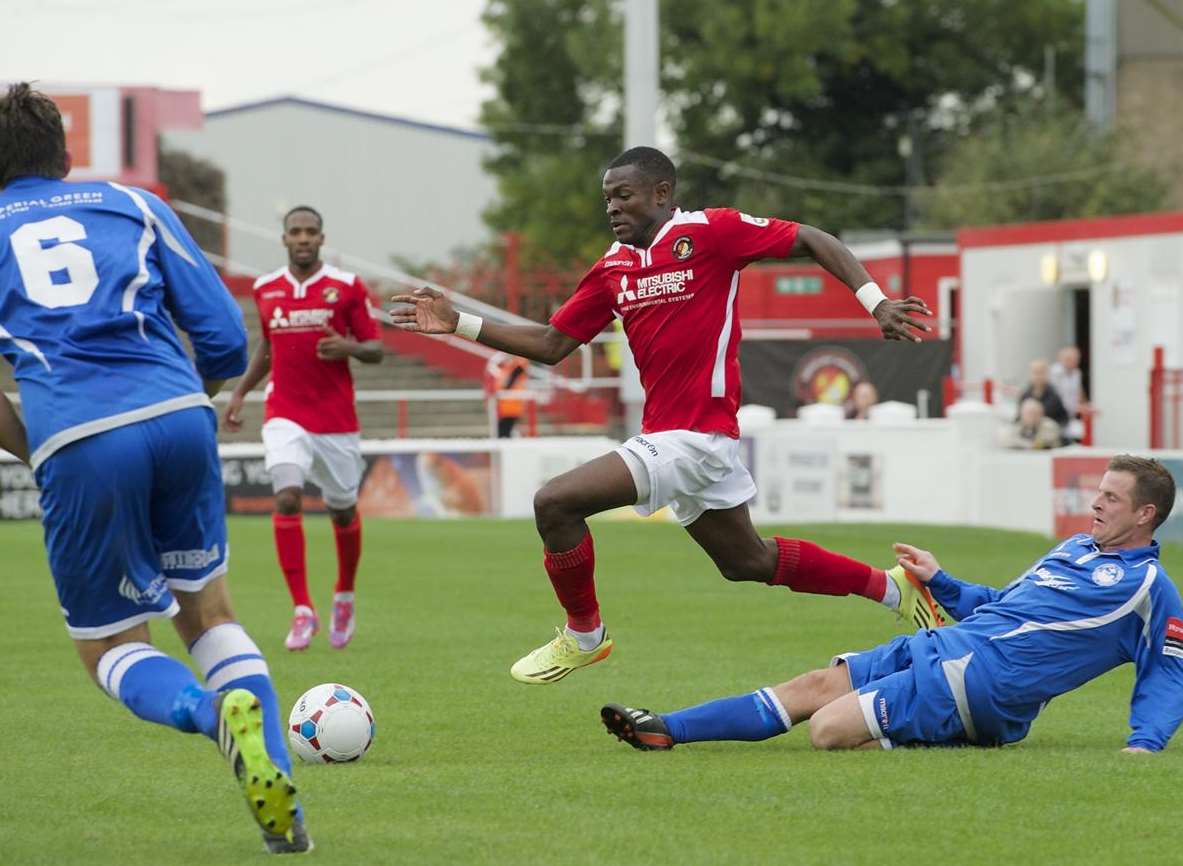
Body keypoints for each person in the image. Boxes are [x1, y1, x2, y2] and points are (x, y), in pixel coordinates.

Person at [391, 146, 931, 684]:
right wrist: (458, 322)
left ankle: (584, 637)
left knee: (554, 502)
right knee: (747, 562)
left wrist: (875, 301)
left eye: (623, 196)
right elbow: (554, 342)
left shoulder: (712, 233)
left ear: (662, 193)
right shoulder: (613, 268)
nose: (613, 208)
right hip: (673, 439)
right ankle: (892, 588)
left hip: (696, 438)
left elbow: (812, 238)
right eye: (607, 199)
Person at [0, 83, 309, 852]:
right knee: (208, 613)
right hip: (179, 417)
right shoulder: (134, 205)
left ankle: (212, 716)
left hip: (78, 434)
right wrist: (176, 408)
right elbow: (228, 345)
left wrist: (40, 441)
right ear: (65, 156)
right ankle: (286, 823)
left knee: (107, 646)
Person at [601, 455, 1183, 754]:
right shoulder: (1075, 549)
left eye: (1111, 496)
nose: (1096, 503)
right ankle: (666, 729)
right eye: (1099, 491)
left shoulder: (1148, 588)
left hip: (973, 684)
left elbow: (1169, 672)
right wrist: (942, 580)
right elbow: (1001, 606)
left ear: (1144, 515)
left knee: (828, 731)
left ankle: (961, 733)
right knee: (815, 685)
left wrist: (1144, 742)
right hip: (946, 646)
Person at [224, 206, 383, 651]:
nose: (303, 238)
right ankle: (302, 609)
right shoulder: (266, 288)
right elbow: (267, 347)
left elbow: (375, 350)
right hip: (284, 412)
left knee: (343, 511)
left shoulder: (347, 287)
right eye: (296, 232)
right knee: (287, 494)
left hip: (335, 421)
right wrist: (239, 394)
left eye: (311, 232)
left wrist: (347, 346)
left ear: (321, 238)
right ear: (284, 239)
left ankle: (344, 595)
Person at [485, 351, 530, 437]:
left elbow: (511, 380)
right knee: (504, 431)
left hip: (512, 403)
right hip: (506, 404)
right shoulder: (511, 364)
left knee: (503, 431)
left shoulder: (519, 363)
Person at [1050, 345, 1089, 441]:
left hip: (1070, 415)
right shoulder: (1054, 373)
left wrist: (1085, 405)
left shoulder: (1076, 373)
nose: (1073, 361)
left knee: (1080, 432)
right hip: (1057, 415)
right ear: (1061, 358)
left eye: (1076, 359)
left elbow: (1079, 391)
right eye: (1069, 359)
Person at [1017, 358, 1069, 429]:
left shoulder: (1054, 395)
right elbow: (1019, 416)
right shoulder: (1025, 394)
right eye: (1035, 373)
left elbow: (1063, 419)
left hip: (1050, 432)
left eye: (1041, 373)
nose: (1038, 376)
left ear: (1047, 374)